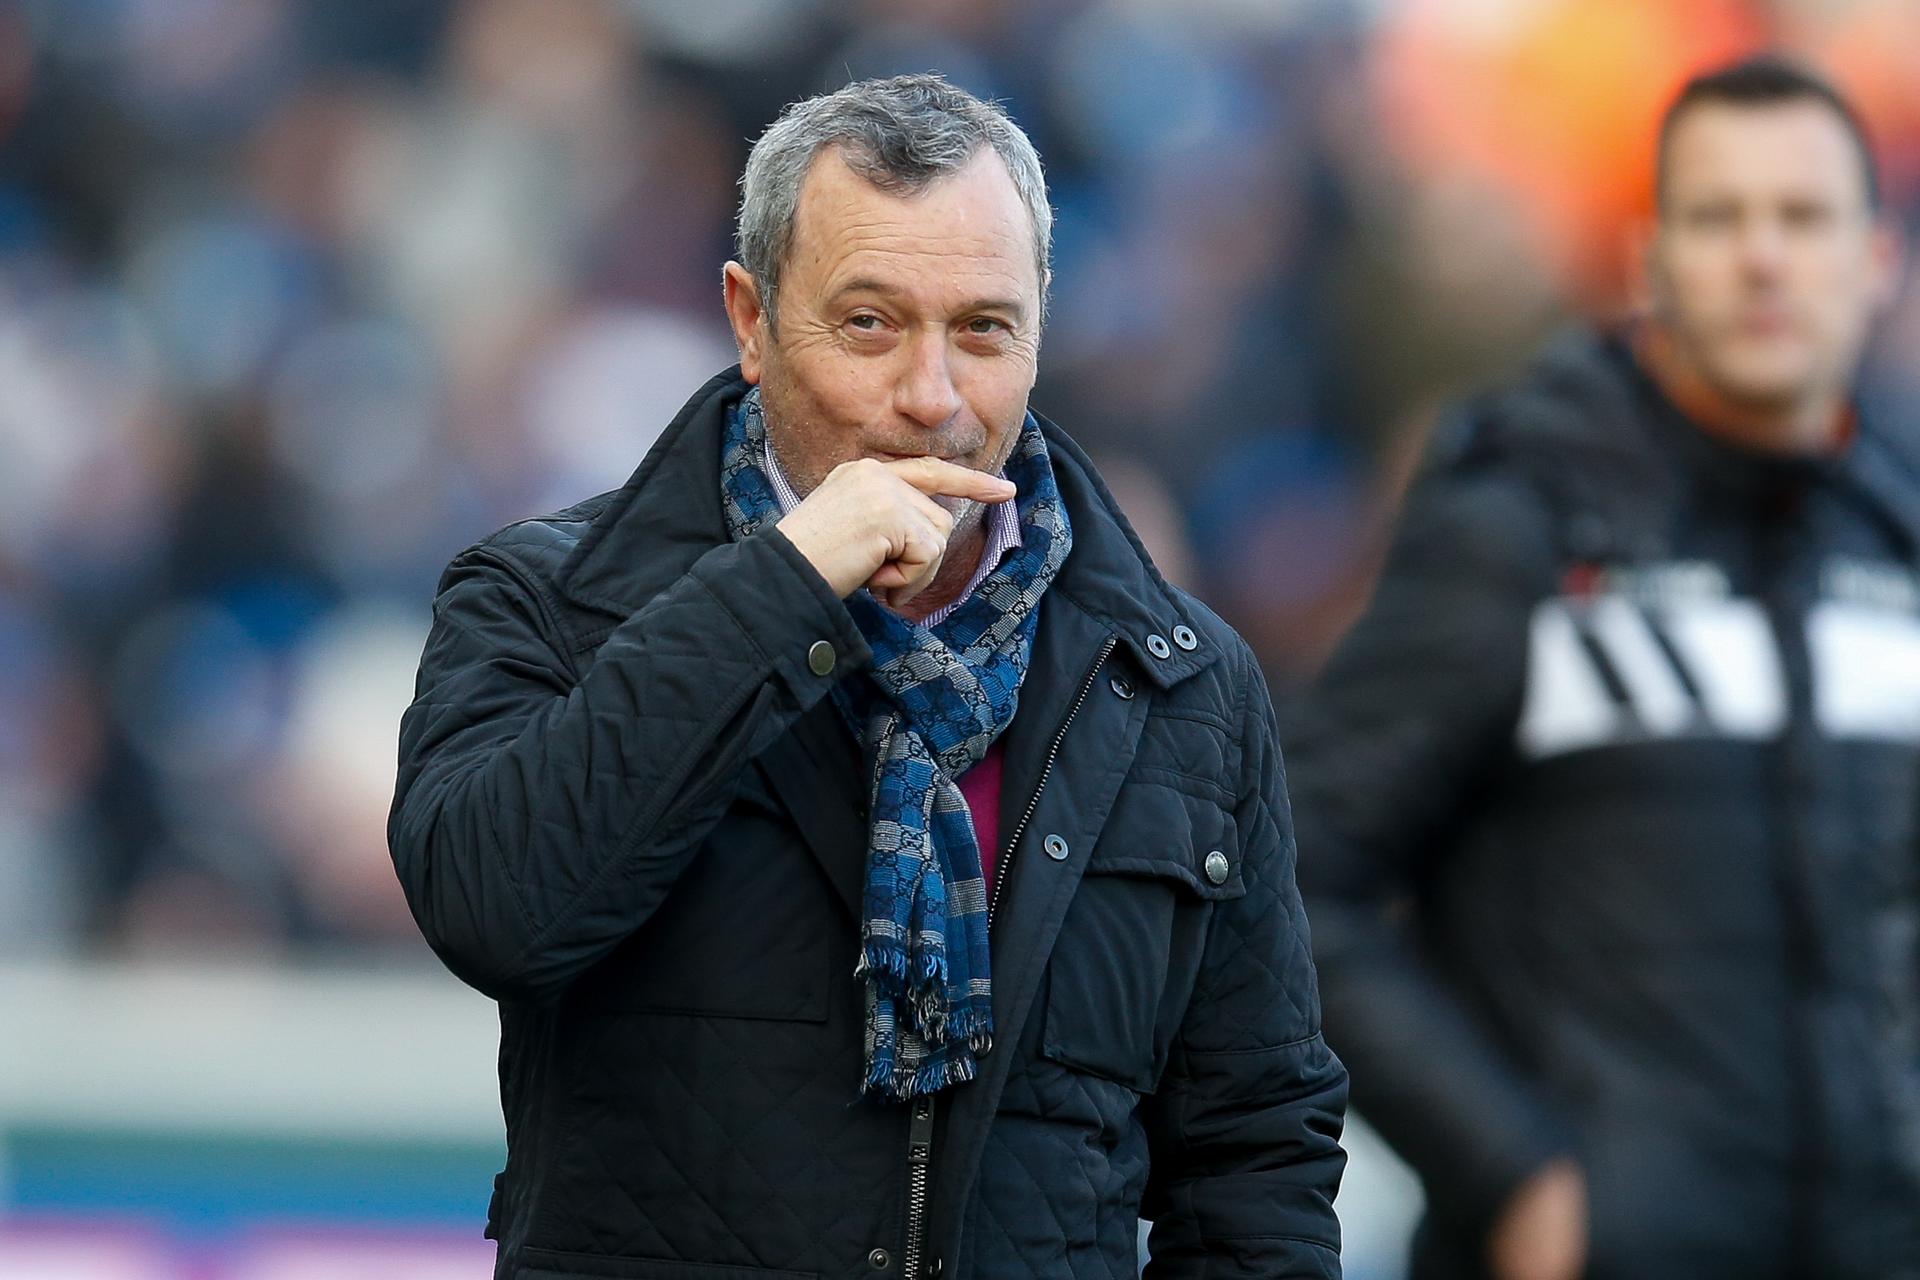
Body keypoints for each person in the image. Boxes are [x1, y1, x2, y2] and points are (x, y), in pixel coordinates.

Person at [389, 74, 1346, 1280]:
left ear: (1040, 324)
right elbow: (496, 905)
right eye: (870, 324)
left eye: (984, 329)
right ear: (750, 319)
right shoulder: (544, 598)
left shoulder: (1181, 679)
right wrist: (784, 591)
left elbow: (1257, 1155)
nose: (932, 397)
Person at [1286, 54, 1918, 1280]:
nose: (1763, 257)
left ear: (1876, 261)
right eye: (1719, 217)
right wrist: (1514, 1171)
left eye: (1803, 217)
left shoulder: (1899, 549)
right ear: (1647, 260)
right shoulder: (1521, 518)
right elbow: (1295, 874)